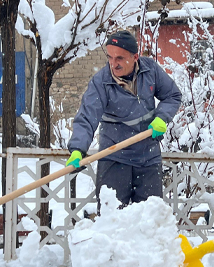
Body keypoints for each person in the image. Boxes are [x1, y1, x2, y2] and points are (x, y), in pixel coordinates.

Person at [66, 30, 182, 207]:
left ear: (135, 56)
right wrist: (77, 148)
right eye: (110, 57)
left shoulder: (150, 70)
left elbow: (172, 95)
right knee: (112, 220)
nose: (113, 64)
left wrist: (162, 117)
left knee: (150, 220)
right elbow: (87, 116)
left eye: (119, 58)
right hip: (114, 157)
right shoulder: (101, 82)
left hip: (148, 157)